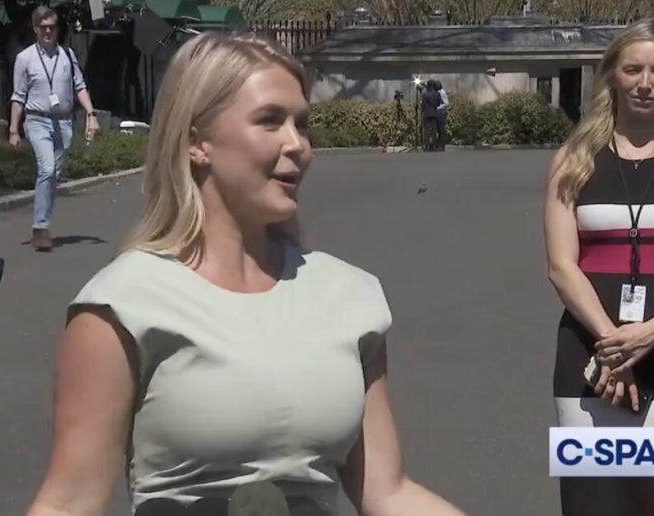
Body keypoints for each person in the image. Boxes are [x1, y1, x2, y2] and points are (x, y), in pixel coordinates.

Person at [27, 32, 466, 516]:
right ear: (197, 142)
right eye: (269, 121)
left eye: (302, 124)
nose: (298, 145)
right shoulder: (122, 305)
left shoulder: (350, 297)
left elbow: (389, 492)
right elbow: (69, 503)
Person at [544, 18, 654, 516]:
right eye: (633, 70)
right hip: (592, 360)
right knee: (597, 501)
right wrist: (615, 345)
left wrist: (648, 335)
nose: (645, 83)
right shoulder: (574, 159)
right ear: (612, 75)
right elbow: (561, 266)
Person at [9, 6, 100, 252]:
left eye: (52, 27)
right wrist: (14, 130)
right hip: (37, 120)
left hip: (64, 122)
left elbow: (80, 86)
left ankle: (42, 221)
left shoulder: (67, 55)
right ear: (35, 29)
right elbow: (18, 96)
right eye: (43, 27)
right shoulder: (25, 58)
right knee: (47, 169)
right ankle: (40, 227)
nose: (48, 31)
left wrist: (91, 114)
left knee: (52, 176)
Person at [421, 80, 442, 152]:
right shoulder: (437, 94)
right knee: (434, 130)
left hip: (427, 113)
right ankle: (433, 145)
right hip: (434, 113)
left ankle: (426, 146)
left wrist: (424, 110)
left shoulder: (425, 94)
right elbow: (438, 103)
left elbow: (423, 104)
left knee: (427, 130)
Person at [435, 80, 450, 151]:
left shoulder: (442, 93)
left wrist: (439, 107)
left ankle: (442, 145)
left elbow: (446, 103)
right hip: (438, 112)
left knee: (441, 129)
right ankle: (438, 144)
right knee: (438, 129)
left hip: (441, 112)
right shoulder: (437, 92)